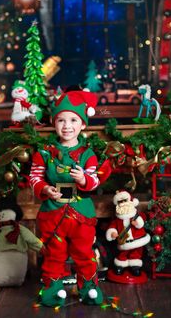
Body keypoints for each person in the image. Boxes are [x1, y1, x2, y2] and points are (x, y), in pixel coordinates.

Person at [29, 90, 104, 307]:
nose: (67, 125)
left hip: (81, 214)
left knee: (84, 252)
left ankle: (89, 288)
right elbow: (34, 177)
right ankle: (53, 289)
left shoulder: (88, 154)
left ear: (82, 125)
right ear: (54, 123)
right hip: (53, 213)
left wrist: (83, 179)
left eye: (73, 120)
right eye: (61, 120)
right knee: (54, 253)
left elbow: (95, 180)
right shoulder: (44, 153)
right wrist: (45, 189)